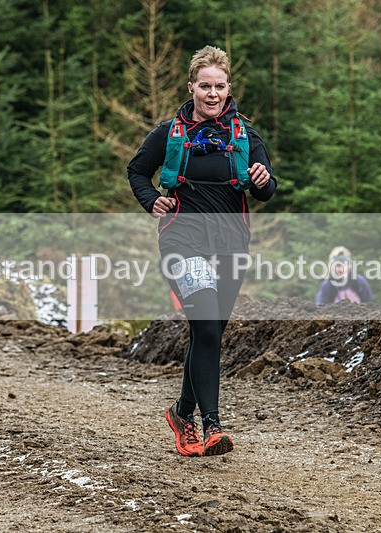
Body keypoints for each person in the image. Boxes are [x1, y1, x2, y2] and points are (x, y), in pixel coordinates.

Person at [128, 45, 276, 457]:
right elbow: (137, 171)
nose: (213, 94)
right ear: (191, 87)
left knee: (209, 332)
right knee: (207, 328)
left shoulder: (245, 135)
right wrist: (151, 200)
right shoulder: (168, 133)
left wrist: (263, 179)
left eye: (220, 86)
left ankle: (181, 414)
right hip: (183, 239)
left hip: (231, 242)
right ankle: (212, 426)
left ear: (229, 88)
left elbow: (266, 190)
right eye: (205, 86)